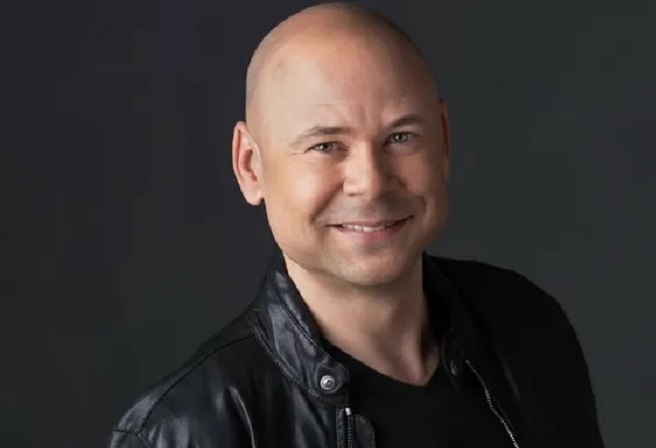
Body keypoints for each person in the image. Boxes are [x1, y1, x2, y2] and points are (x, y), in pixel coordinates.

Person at [107, 3, 605, 447]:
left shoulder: (528, 330)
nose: (371, 183)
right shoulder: (186, 432)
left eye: (401, 137)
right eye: (326, 146)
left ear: (444, 141)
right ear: (250, 166)